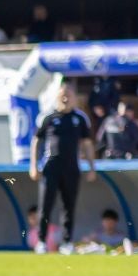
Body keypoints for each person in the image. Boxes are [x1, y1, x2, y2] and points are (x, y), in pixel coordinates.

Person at [30, 84, 95, 252]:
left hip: (71, 168)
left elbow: (87, 144)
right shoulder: (48, 117)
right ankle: (42, 242)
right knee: (46, 206)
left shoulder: (80, 118)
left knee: (69, 206)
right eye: (62, 95)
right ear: (57, 97)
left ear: (75, 98)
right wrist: (33, 166)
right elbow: (36, 141)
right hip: (51, 167)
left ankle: (67, 243)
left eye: (69, 95)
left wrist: (92, 167)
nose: (66, 98)